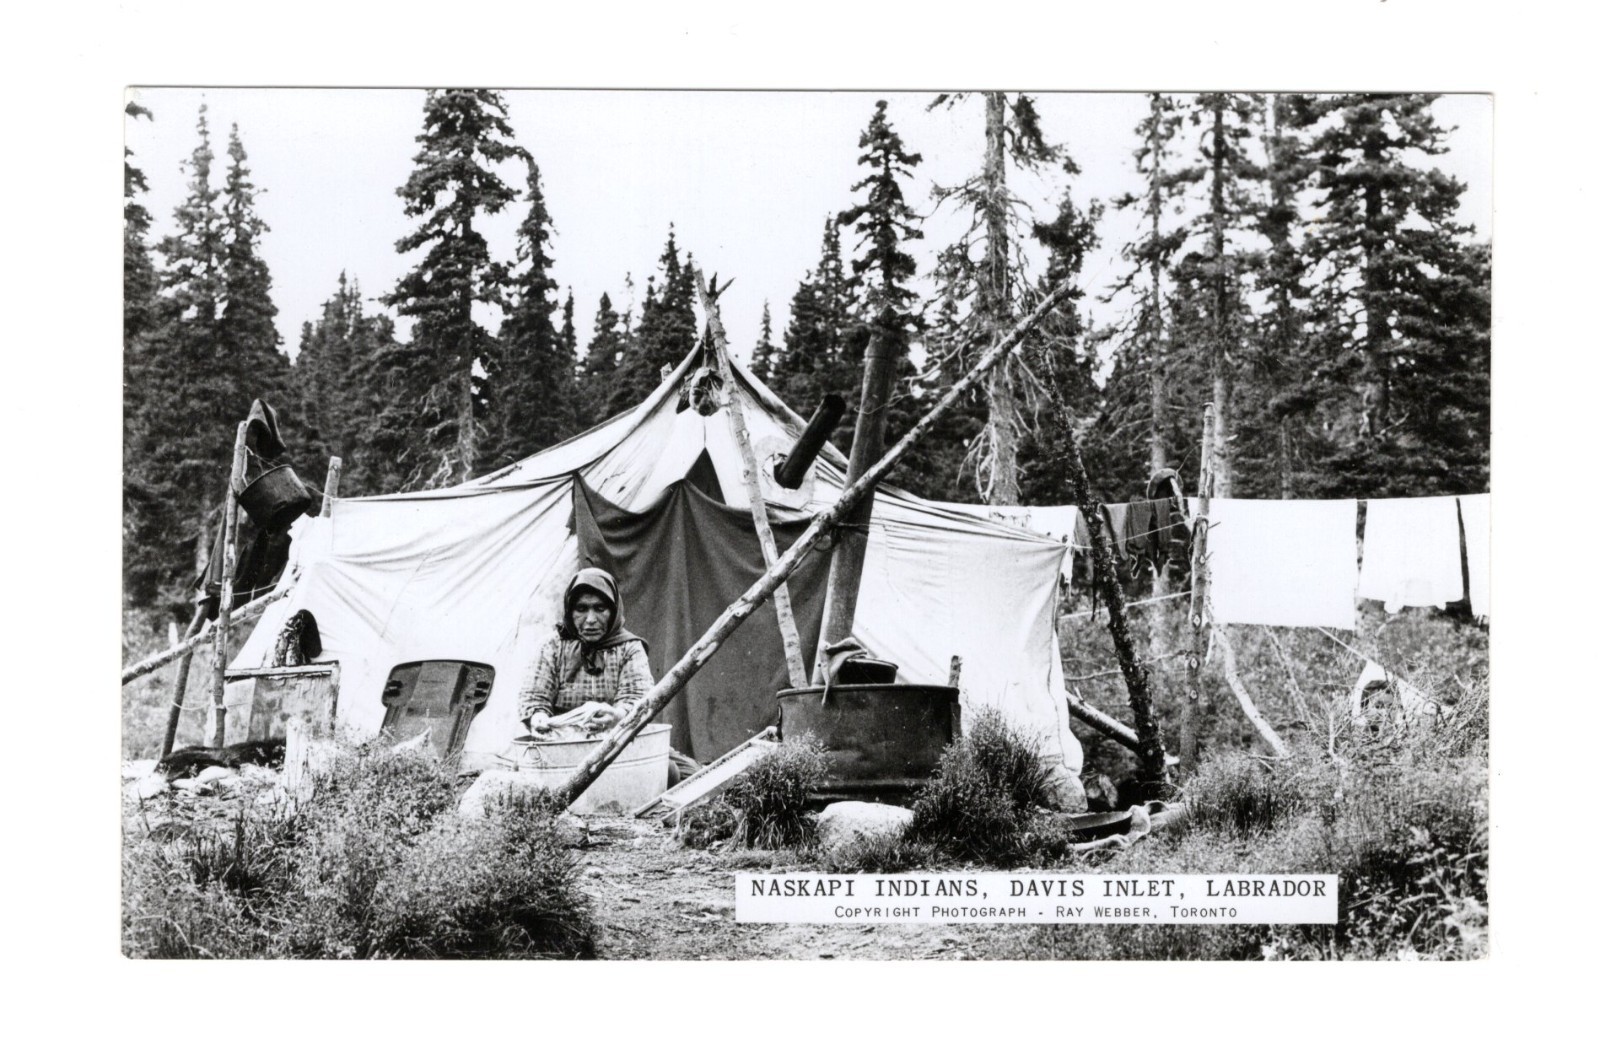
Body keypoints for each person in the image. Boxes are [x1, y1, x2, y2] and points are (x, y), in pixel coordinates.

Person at [517, 568, 703, 785]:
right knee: (523, 775)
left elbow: (637, 700)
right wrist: (538, 719)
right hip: (563, 746)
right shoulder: (553, 646)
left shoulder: (629, 648)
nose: (590, 620)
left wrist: (616, 715)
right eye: (581, 609)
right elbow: (535, 698)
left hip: (618, 742)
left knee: (689, 775)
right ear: (569, 611)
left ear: (613, 610)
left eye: (600, 609)